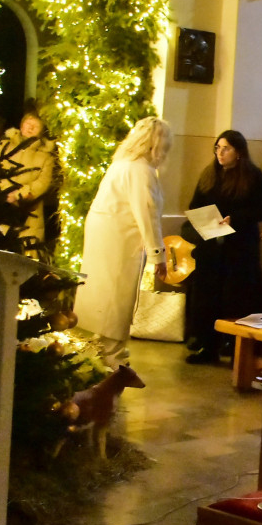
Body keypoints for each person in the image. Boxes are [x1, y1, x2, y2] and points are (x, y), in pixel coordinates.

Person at [74, 117, 172, 366]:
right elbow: (147, 214)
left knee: (101, 296)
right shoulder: (140, 170)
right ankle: (113, 358)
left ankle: (98, 354)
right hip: (120, 242)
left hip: (106, 237)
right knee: (116, 299)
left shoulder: (122, 164)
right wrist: (158, 255)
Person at [185, 130, 262, 364]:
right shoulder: (209, 174)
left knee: (236, 298)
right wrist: (204, 219)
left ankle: (235, 347)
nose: (220, 153)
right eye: (217, 148)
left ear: (239, 152)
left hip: (239, 248)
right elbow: (195, 205)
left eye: (226, 148)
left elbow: (261, 210)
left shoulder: (252, 176)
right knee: (207, 297)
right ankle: (207, 345)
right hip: (212, 247)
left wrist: (236, 219)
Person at [0, 111, 60, 253]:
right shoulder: (3, 146)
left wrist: (20, 194)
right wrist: (6, 191)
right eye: (28, 124)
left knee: (28, 249)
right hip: (1, 205)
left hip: (30, 210)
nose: (30, 128)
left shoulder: (46, 157)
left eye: (35, 126)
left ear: (41, 131)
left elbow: (43, 182)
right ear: (21, 125)